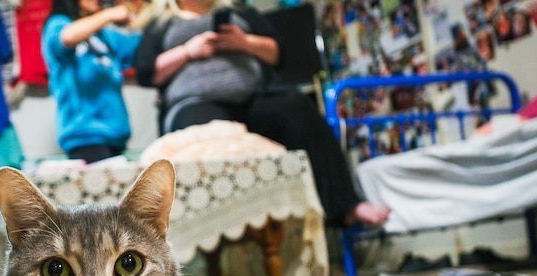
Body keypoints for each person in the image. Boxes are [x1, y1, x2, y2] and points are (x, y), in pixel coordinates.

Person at [134, 0, 390, 227]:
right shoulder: (160, 23)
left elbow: (278, 53)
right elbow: (146, 73)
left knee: (297, 108)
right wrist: (188, 51)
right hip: (195, 102)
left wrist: (245, 42)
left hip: (257, 97)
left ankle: (345, 205)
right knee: (203, 137)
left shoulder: (240, 10)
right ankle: (221, 228)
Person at [43, 0, 142, 164]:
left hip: (116, 135)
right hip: (84, 136)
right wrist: (110, 14)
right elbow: (67, 37)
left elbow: (141, 49)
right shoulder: (58, 24)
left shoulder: (106, 36)